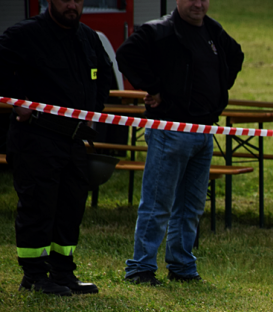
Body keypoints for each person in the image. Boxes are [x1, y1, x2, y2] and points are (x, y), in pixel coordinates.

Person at [117, 0, 244, 285]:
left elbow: (236, 56)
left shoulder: (213, 31)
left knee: (191, 206)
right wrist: (155, 87)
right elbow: (126, 54)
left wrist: (219, 92)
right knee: (157, 203)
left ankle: (182, 265)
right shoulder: (161, 31)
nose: (198, 4)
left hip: (204, 131)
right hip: (170, 129)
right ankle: (140, 267)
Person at [0, 0, 112, 296]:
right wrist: (15, 100)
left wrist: (93, 111)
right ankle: (35, 276)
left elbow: (103, 77)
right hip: (36, 136)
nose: (71, 5)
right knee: (39, 205)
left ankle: (63, 272)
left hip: (73, 138)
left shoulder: (87, 37)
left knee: (70, 206)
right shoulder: (25, 35)